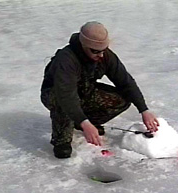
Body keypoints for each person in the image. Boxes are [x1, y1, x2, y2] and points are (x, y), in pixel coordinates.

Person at [40, 21, 159, 159]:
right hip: (56, 94)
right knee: (62, 102)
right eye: (96, 51)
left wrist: (144, 109)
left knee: (122, 99)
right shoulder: (66, 60)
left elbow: (126, 82)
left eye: (104, 50)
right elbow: (66, 95)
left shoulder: (105, 56)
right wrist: (85, 123)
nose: (101, 55)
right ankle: (62, 140)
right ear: (84, 45)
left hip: (84, 91)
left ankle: (84, 122)